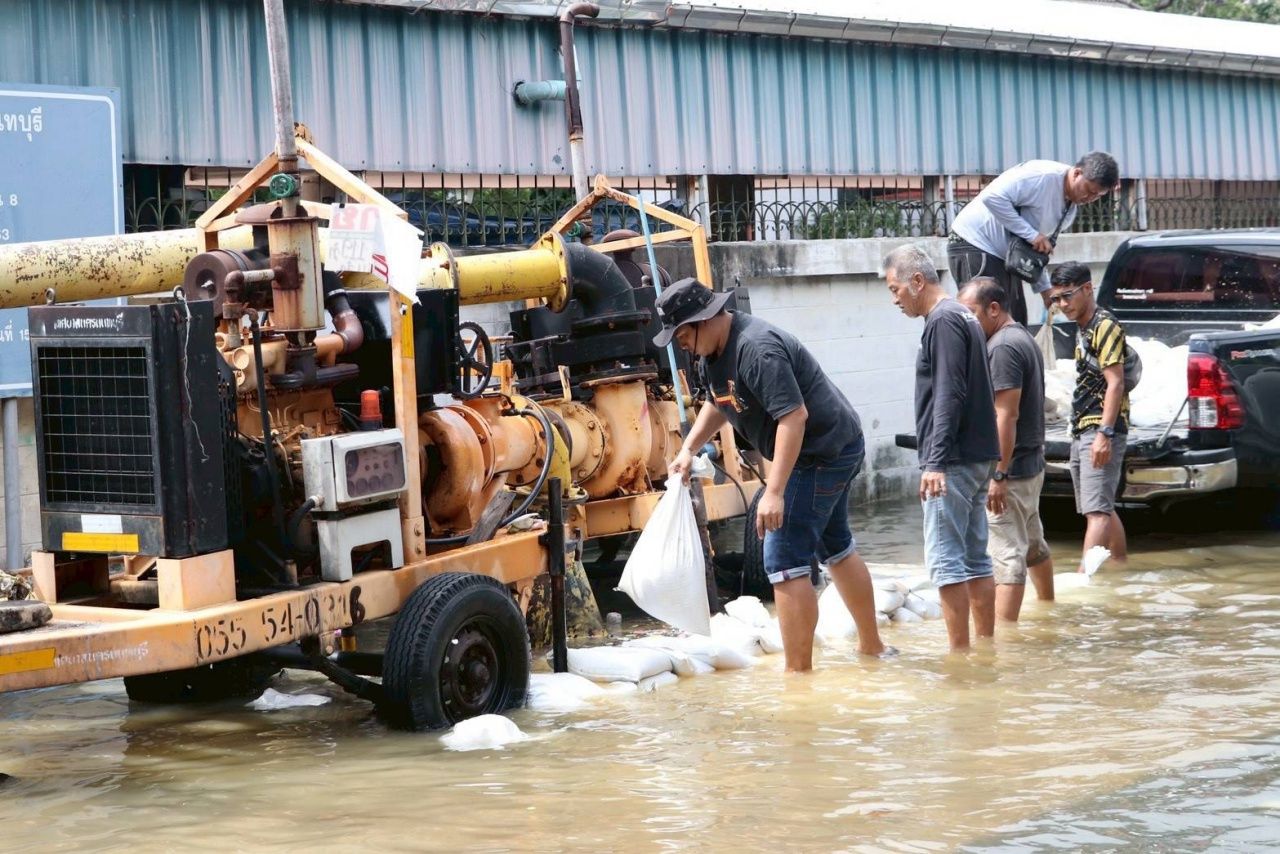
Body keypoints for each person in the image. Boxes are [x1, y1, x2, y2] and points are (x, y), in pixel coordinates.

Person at [654, 278, 887, 671]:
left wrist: (774, 492)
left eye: (682, 335)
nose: (682, 345)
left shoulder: (756, 349)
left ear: (704, 319)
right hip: (831, 445)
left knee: (782, 558)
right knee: (835, 547)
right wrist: (687, 450)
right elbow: (718, 401)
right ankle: (873, 648)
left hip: (822, 451)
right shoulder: (712, 355)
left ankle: (798, 677)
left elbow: (793, 417)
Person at [883, 245, 999, 652]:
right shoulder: (962, 316)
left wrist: (935, 462)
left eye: (896, 289)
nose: (895, 299)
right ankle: (985, 648)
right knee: (975, 557)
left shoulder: (943, 320)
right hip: (977, 455)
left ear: (918, 281)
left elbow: (950, 392)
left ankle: (960, 657)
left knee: (947, 562)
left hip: (953, 461)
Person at [956, 278, 1055, 621]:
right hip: (1030, 463)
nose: (967, 323)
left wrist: (998, 473)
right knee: (1033, 542)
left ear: (994, 309)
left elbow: (1006, 415)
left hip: (1010, 469)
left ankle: (1003, 638)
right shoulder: (1021, 337)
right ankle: (1048, 608)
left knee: (1006, 555)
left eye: (971, 314)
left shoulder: (1002, 347)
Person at [948, 152, 1120, 326]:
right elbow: (991, 197)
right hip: (975, 244)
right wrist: (1032, 235)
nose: (1089, 199)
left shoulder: (1069, 209)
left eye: (1097, 196)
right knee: (990, 322)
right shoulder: (1040, 176)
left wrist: (1045, 290)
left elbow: (1035, 249)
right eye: (1089, 191)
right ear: (1077, 173)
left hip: (1008, 257)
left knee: (1016, 323)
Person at [1046, 262, 1129, 571]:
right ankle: (1119, 565)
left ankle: (1084, 580)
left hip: (1100, 426)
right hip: (1084, 426)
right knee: (1100, 507)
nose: (1062, 304)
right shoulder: (1084, 327)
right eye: (1056, 299)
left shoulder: (1104, 325)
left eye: (1067, 296)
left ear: (1087, 289)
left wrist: (1105, 433)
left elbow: (1116, 382)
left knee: (1096, 513)